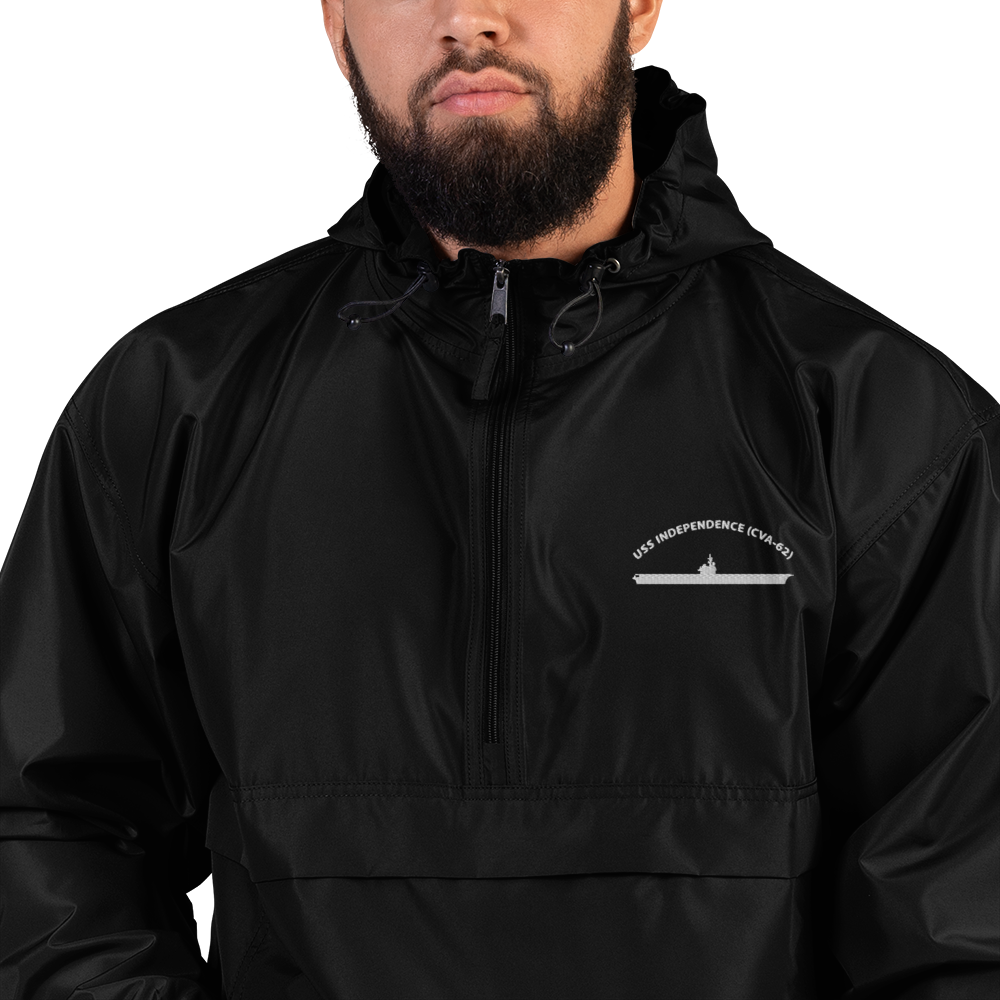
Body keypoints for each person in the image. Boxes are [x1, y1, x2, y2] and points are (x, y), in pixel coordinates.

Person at [2, 1, 997, 997]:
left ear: (641, 7)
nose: (467, 18)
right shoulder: (172, 400)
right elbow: (47, 829)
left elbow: (962, 913)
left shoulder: (878, 413)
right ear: (336, 24)